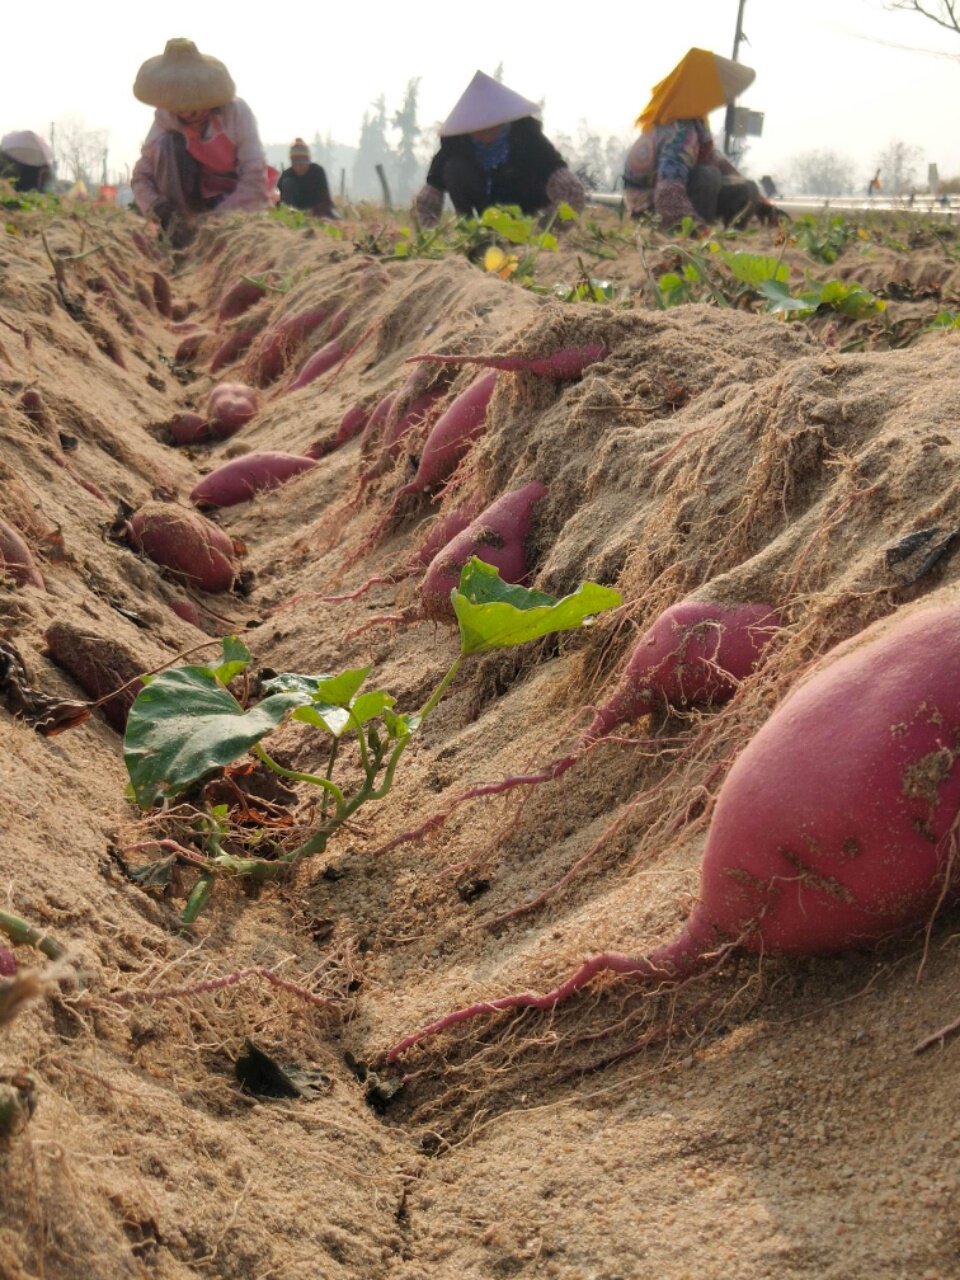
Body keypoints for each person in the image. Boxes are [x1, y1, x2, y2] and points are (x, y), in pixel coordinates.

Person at [131, 38, 269, 246]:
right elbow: (141, 176)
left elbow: (254, 176)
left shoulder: (236, 114)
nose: (185, 111)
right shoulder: (165, 120)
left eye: (192, 103)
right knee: (169, 144)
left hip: (229, 203)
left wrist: (217, 218)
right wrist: (158, 207)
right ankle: (178, 233)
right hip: (185, 205)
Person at [622, 48, 771, 230]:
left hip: (672, 198)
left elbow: (720, 165)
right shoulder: (679, 133)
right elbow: (668, 194)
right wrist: (697, 229)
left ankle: (728, 232)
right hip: (650, 211)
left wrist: (760, 202)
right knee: (707, 176)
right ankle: (690, 233)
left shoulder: (696, 127)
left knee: (746, 189)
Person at [414, 71, 585, 226]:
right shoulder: (457, 143)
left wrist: (546, 227)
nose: (483, 132)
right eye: (477, 127)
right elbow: (428, 197)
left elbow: (568, 187)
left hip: (525, 216)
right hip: (480, 219)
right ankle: (472, 232)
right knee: (455, 169)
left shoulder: (526, 136)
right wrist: (429, 229)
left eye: (489, 125)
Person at [277, 139, 336, 217]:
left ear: (308, 162)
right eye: (295, 165)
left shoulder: (317, 172)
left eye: (302, 164)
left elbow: (326, 201)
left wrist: (312, 211)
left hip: (317, 211)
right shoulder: (286, 176)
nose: (298, 168)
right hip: (294, 213)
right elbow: (278, 202)